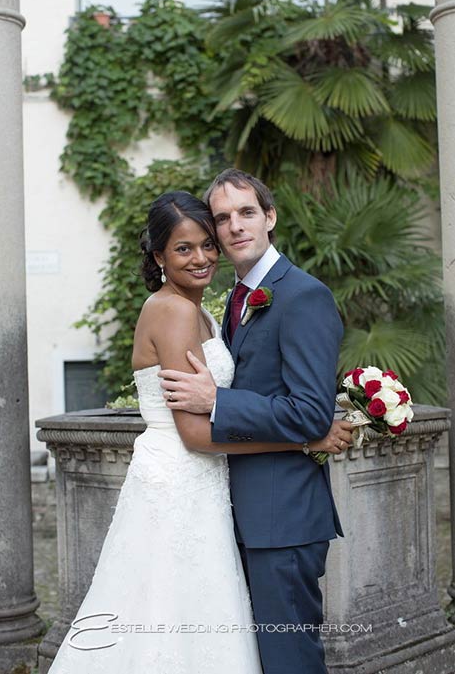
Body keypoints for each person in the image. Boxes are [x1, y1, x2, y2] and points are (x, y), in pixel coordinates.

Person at [47, 190, 352, 673]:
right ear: (158, 256)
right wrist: (305, 438)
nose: (204, 256)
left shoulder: (212, 308)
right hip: (179, 482)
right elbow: (193, 434)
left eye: (207, 244)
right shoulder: (175, 310)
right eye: (184, 248)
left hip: (213, 491)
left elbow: (267, 394)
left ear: (269, 217)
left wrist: (294, 421)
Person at [158, 170, 352, 674]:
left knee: (289, 660)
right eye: (222, 218)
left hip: (282, 517)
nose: (234, 226)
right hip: (243, 512)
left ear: (269, 217)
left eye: (246, 212)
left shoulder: (302, 295)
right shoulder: (238, 300)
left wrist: (217, 401)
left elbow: (311, 412)